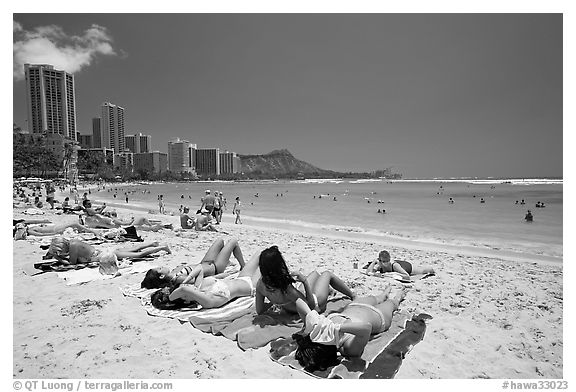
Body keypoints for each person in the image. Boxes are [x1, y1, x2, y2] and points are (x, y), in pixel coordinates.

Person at [292, 286, 406, 369]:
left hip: (354, 305)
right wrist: (337, 328)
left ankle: (384, 293)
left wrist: (309, 325)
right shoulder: (347, 348)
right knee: (392, 303)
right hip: (378, 316)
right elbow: (366, 328)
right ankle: (398, 297)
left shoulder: (318, 332)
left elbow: (299, 302)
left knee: (379, 297)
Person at [152, 245, 262, 310]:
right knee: (268, 258)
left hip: (242, 278)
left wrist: (186, 280)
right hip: (251, 286)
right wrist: (170, 299)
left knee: (261, 252)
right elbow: (184, 289)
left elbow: (199, 268)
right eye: (187, 293)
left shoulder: (199, 287)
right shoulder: (207, 301)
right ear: (186, 301)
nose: (187, 286)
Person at [256, 246, 355, 315]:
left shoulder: (261, 284)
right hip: (316, 303)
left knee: (314, 274)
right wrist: (304, 281)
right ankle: (352, 295)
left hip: (293, 303)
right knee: (327, 274)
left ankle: (328, 290)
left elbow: (260, 310)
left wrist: (275, 302)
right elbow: (309, 307)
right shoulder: (287, 289)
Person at [141, 238, 245, 289]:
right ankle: (243, 266)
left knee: (220, 241)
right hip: (216, 268)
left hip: (205, 262)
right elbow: (202, 281)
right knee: (233, 242)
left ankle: (227, 260)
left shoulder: (174, 272)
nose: (162, 266)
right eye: (160, 269)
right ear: (162, 276)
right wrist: (222, 275)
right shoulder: (179, 278)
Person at [48, 237, 171, 265]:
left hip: (107, 254)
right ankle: (152, 243)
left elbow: (72, 263)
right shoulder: (73, 242)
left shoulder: (73, 247)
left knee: (138, 254)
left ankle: (162, 247)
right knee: (134, 249)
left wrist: (58, 258)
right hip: (105, 251)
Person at [366, 250, 435, 280]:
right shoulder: (380, 265)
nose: (386, 263)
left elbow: (407, 276)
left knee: (425, 270)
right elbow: (368, 272)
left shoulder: (395, 265)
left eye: (387, 261)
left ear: (390, 259)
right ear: (380, 260)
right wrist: (374, 262)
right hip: (400, 266)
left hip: (407, 267)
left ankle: (430, 268)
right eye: (384, 261)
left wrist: (393, 273)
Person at [14, 221, 103, 239]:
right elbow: (41, 235)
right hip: (55, 229)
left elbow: (27, 221)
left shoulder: (30, 227)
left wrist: (43, 221)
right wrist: (55, 233)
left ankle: (90, 230)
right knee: (75, 224)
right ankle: (93, 232)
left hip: (55, 227)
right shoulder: (30, 231)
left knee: (76, 227)